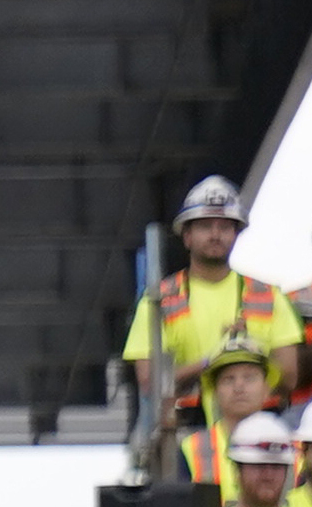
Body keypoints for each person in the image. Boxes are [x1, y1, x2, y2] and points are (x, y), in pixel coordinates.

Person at [125, 176, 299, 435]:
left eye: (225, 227)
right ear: (187, 236)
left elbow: (289, 377)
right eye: (206, 226)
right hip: (189, 432)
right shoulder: (159, 300)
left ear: (236, 234)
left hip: (260, 434)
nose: (216, 235)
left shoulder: (268, 296)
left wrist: (244, 354)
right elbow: (150, 381)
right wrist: (215, 360)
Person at [177, 335, 282, 492]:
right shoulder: (192, 448)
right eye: (228, 379)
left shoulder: (291, 447)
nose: (239, 387)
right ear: (215, 391)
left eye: (249, 378)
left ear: (266, 389)